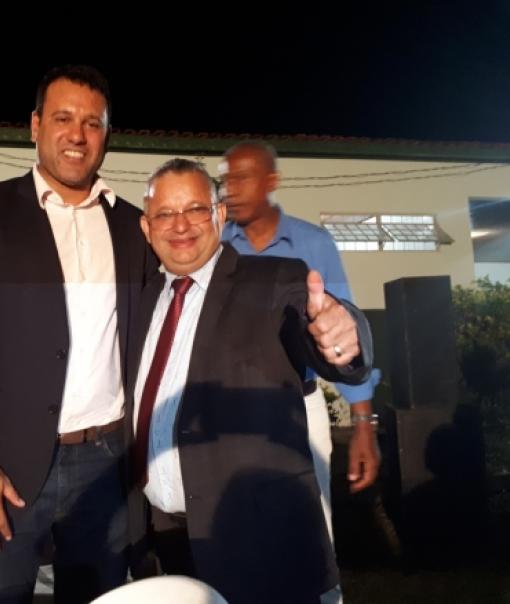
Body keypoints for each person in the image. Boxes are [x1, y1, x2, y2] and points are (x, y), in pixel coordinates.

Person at [0, 65, 158, 604]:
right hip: (2, 467)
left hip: (106, 467)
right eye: (63, 118)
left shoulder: (133, 226)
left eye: (92, 123)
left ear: (107, 134)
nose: (78, 135)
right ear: (35, 125)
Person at [127, 158, 373, 604]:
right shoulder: (144, 300)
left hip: (259, 545)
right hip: (169, 537)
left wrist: (342, 338)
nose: (180, 225)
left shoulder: (275, 281)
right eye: (165, 214)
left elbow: (316, 323)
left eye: (195, 209)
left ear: (219, 215)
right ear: (147, 228)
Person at [218, 142, 379, 599]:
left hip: (299, 409)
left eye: (243, 177)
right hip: (230, 412)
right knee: (237, 537)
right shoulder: (216, 245)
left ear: (271, 181)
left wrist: (363, 424)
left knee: (312, 533)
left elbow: (346, 338)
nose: (231, 189)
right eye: (226, 179)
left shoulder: (314, 244)